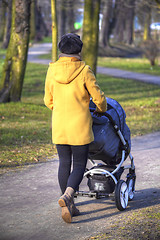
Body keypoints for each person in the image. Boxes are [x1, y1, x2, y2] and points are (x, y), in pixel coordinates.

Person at [44, 33, 107, 223]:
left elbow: (48, 100)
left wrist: (62, 108)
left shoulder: (52, 70)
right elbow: (99, 99)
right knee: (79, 165)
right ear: (79, 51)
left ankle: (70, 207)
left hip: (60, 125)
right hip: (80, 126)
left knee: (64, 163)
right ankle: (68, 196)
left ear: (61, 50)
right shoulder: (85, 70)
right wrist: (100, 109)